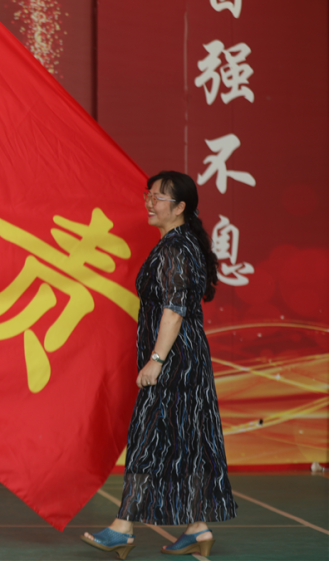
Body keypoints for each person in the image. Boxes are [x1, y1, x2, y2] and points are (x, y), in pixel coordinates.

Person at [82, 171, 236, 559]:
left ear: (180, 207)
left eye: (159, 198)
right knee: (185, 440)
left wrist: (156, 361)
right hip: (187, 359)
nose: (150, 203)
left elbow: (175, 310)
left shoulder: (175, 249)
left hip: (174, 361)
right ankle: (197, 528)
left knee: (148, 439)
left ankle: (122, 528)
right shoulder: (178, 244)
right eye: (148, 195)